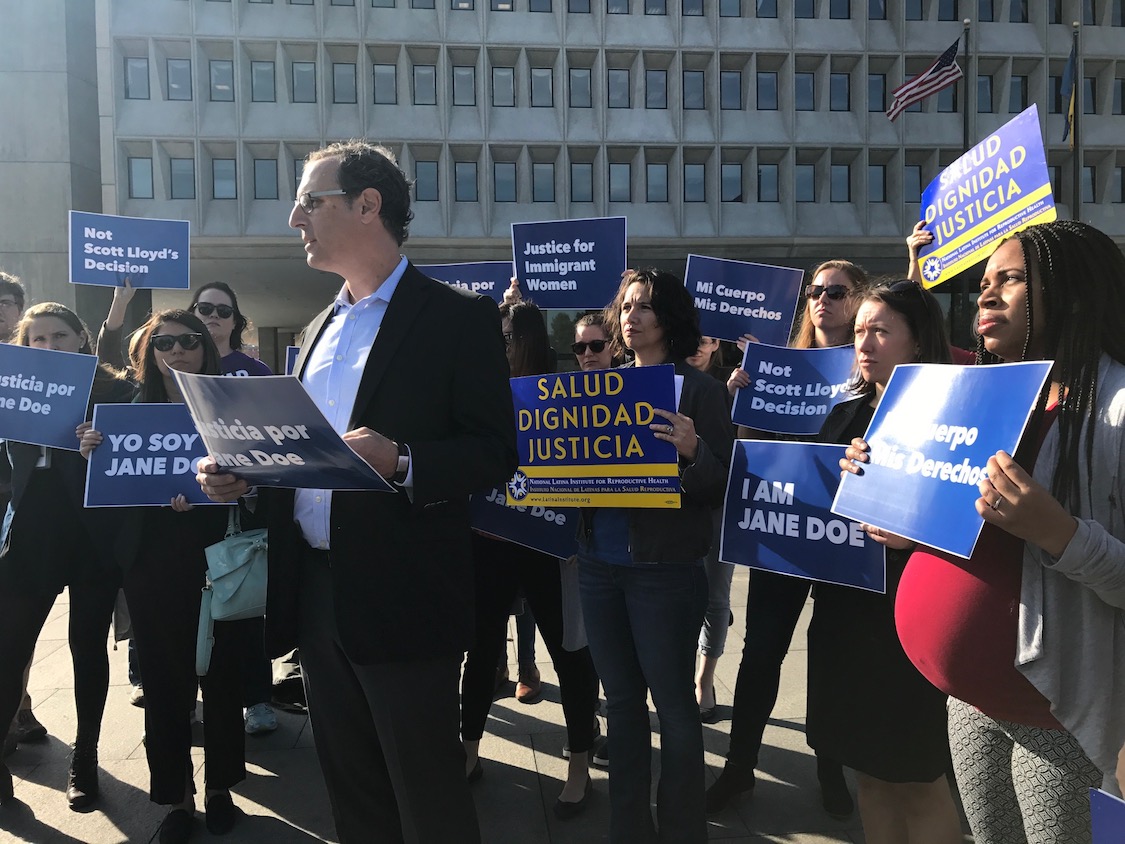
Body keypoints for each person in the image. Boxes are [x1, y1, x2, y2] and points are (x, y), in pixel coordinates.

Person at [195, 140, 517, 844]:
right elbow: (303, 459)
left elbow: (495, 453)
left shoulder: (456, 317)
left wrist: (402, 460)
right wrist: (245, 470)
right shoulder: (315, 329)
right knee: (351, 789)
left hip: (403, 594)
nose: (293, 218)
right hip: (314, 592)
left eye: (310, 200)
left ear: (367, 206)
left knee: (425, 792)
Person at [850, 221, 1125, 842]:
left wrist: (1058, 532)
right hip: (970, 703)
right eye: (984, 282)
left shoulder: (1115, 407)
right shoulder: (992, 396)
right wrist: (898, 498)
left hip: (1053, 715)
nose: (986, 294)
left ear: (1074, 292)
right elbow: (976, 528)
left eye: (1012, 279)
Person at [80, 309, 248, 843]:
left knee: (222, 678)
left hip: (220, 558)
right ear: (149, 354)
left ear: (205, 348)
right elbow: (111, 498)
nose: (176, 351)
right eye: (164, 343)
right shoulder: (125, 414)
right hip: (152, 564)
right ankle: (176, 797)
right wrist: (95, 455)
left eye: (188, 341)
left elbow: (261, 480)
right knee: (164, 682)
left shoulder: (231, 409)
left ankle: (221, 789)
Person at [577, 268, 733, 843]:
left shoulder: (702, 392)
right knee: (620, 704)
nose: (630, 317)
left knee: (673, 707)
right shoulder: (603, 385)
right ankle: (629, 829)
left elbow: (721, 487)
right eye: (625, 307)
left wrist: (693, 452)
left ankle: (683, 830)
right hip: (599, 566)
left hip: (664, 573)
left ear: (668, 317)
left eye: (643, 307)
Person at [708, 260, 867, 818]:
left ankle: (830, 769)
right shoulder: (780, 366)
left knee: (831, 658)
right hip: (782, 530)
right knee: (761, 655)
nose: (823, 299)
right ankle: (738, 769)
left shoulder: (871, 374)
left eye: (837, 291)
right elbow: (750, 447)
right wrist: (743, 401)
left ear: (858, 300)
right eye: (816, 292)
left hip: (843, 537)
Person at [807, 280, 962, 844]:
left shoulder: (954, 417)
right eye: (860, 331)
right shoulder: (844, 413)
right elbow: (815, 504)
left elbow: (972, 520)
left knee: (919, 778)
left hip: (911, 616)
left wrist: (910, 535)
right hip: (848, 616)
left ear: (917, 342)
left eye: (880, 330)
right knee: (868, 772)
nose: (864, 342)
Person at [461, 300, 601, 818]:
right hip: (490, 538)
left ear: (525, 340)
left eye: (505, 336)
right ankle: (468, 752)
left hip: (546, 543)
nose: (497, 346)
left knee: (568, 655)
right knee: (479, 653)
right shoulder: (479, 390)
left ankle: (580, 765)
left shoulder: (561, 393)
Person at [0, 304, 134, 810]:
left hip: (90, 534)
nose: (50, 346)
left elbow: (133, 453)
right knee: (9, 647)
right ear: (24, 344)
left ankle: (85, 758)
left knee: (87, 647)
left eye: (60, 336)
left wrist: (101, 445)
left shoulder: (114, 391)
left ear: (82, 340)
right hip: (32, 530)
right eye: (38, 339)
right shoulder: (11, 389)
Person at [186, 281, 278, 736]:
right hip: (187, 509)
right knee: (195, 608)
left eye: (223, 310)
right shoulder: (178, 368)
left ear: (236, 321)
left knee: (247, 604)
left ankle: (259, 697)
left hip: (245, 504)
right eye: (204, 308)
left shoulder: (255, 371)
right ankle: (195, 696)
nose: (213, 316)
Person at [684, 336, 735, 722]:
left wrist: (735, 394)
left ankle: (705, 678)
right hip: (677, 512)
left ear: (716, 344)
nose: (696, 347)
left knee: (716, 597)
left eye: (704, 341)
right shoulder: (670, 377)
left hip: (719, 505)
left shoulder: (729, 382)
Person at [188, 282, 272, 377]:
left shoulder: (257, 371)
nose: (214, 314)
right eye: (205, 308)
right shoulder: (180, 367)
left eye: (224, 311)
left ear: (234, 322)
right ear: (192, 314)